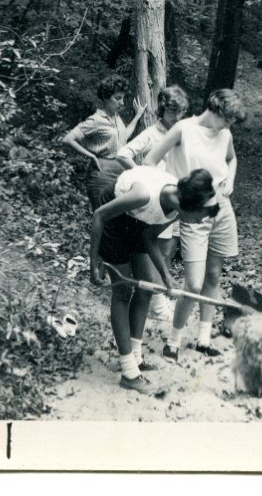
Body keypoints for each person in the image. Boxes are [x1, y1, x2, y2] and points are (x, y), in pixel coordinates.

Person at [89, 165, 219, 392]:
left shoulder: (177, 208)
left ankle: (137, 358)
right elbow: (99, 215)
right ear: (187, 205)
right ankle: (129, 372)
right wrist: (94, 261)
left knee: (147, 288)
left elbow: (149, 238)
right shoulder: (143, 194)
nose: (199, 223)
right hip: (114, 219)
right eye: (200, 217)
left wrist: (167, 277)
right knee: (122, 292)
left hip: (138, 222)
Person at [143, 89, 246, 362]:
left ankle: (203, 338)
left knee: (213, 276)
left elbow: (231, 158)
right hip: (193, 212)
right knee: (194, 283)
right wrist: (171, 193)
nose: (228, 126)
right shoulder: (183, 129)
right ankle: (173, 341)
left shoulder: (225, 134)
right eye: (227, 120)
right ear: (214, 109)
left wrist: (231, 180)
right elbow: (149, 161)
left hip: (221, 208)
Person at [116, 85, 190, 322]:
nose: (176, 117)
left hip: (177, 200)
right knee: (156, 249)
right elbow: (123, 153)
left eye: (181, 112)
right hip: (155, 201)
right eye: (172, 112)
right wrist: (142, 176)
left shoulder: (183, 133)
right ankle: (158, 305)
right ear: (162, 110)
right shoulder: (152, 133)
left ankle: (158, 297)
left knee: (169, 249)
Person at [62, 74, 146, 208]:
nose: (122, 103)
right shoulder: (96, 120)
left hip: (121, 171)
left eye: (123, 98)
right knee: (102, 215)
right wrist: (90, 155)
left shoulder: (117, 118)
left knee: (117, 218)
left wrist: (138, 116)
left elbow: (124, 136)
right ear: (106, 97)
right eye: (117, 98)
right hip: (101, 173)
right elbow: (68, 139)